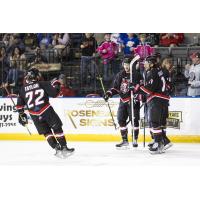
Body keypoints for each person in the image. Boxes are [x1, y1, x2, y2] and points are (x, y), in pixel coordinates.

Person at [16, 68, 75, 158]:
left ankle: (57, 149)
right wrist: (57, 84)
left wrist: (21, 115)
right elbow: (55, 94)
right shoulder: (42, 84)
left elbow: (19, 106)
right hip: (46, 110)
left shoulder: (23, 89)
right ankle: (64, 147)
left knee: (46, 132)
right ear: (36, 76)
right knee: (57, 128)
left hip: (34, 115)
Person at [104, 55, 143, 148]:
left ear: (132, 65)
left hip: (133, 101)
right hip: (123, 100)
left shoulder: (136, 75)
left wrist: (136, 93)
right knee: (121, 119)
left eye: (128, 64)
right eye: (125, 64)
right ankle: (125, 140)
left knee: (134, 120)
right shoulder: (120, 74)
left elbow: (141, 88)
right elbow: (116, 88)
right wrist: (109, 94)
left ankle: (135, 139)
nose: (126, 66)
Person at [137, 56, 170, 154]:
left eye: (146, 63)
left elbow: (149, 90)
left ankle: (158, 144)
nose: (145, 64)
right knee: (158, 123)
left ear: (151, 64)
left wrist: (136, 88)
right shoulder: (160, 71)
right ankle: (162, 142)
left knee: (154, 122)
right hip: (163, 99)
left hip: (156, 99)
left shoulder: (153, 72)